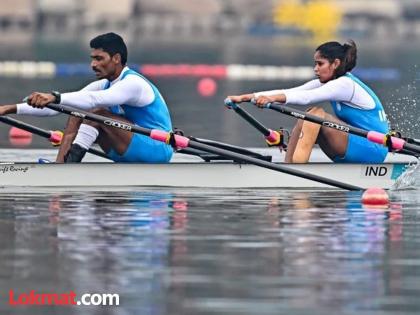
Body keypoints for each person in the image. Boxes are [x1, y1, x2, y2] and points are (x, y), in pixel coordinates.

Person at [0, 32, 173, 163]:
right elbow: (57, 109)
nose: (93, 65)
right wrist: (9, 109)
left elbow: (94, 101)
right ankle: (61, 168)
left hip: (157, 149)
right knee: (76, 113)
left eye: (99, 59)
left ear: (116, 59)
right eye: (92, 59)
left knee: (97, 113)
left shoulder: (133, 83)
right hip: (130, 146)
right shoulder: (104, 84)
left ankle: (71, 167)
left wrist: (54, 96)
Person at [227, 40, 390, 163]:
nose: (315, 69)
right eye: (315, 64)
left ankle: (296, 170)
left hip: (373, 149)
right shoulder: (329, 82)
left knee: (315, 114)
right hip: (355, 144)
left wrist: (270, 99)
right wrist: (245, 98)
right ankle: (289, 166)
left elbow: (306, 98)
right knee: (306, 117)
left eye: (320, 64)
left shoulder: (345, 84)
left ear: (336, 64)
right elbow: (292, 92)